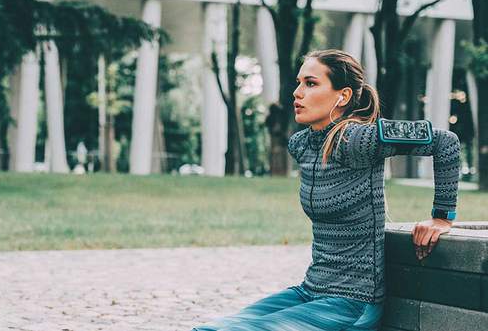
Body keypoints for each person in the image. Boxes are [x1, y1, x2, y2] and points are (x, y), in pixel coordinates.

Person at [192, 49, 460, 331]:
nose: (297, 92)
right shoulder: (302, 145)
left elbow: (446, 142)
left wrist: (441, 216)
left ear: (342, 96)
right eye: (298, 83)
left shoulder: (360, 138)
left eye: (310, 83)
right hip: (311, 290)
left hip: (352, 303)